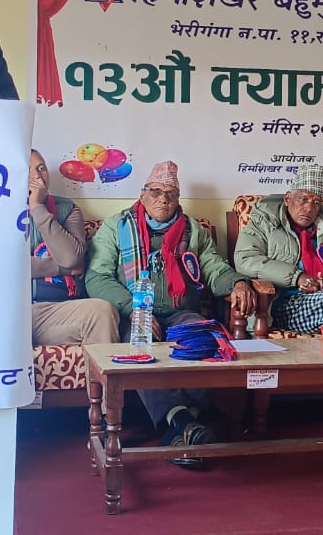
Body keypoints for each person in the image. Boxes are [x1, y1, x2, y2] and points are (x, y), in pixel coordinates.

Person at [85, 161, 258, 467]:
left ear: (178, 199)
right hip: (134, 314)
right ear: (142, 194)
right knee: (138, 345)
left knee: (204, 337)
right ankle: (183, 423)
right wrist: (133, 309)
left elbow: (214, 268)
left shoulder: (193, 231)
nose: (163, 199)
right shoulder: (117, 226)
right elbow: (97, 277)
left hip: (180, 313)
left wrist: (237, 283)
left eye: (170, 194)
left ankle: (181, 428)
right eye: (155, 192)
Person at [233, 164, 323, 447]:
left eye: (316, 201)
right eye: (303, 199)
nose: (309, 207)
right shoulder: (264, 219)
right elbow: (245, 259)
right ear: (288, 198)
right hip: (284, 303)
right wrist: (296, 277)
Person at [26, 150, 120, 350]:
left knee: (101, 311)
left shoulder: (67, 209)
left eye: (41, 168)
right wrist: (62, 269)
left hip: (58, 312)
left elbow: (71, 258)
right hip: (13, 312)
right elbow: (3, 266)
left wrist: (37, 207)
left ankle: (101, 373)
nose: (38, 177)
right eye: (28, 170)